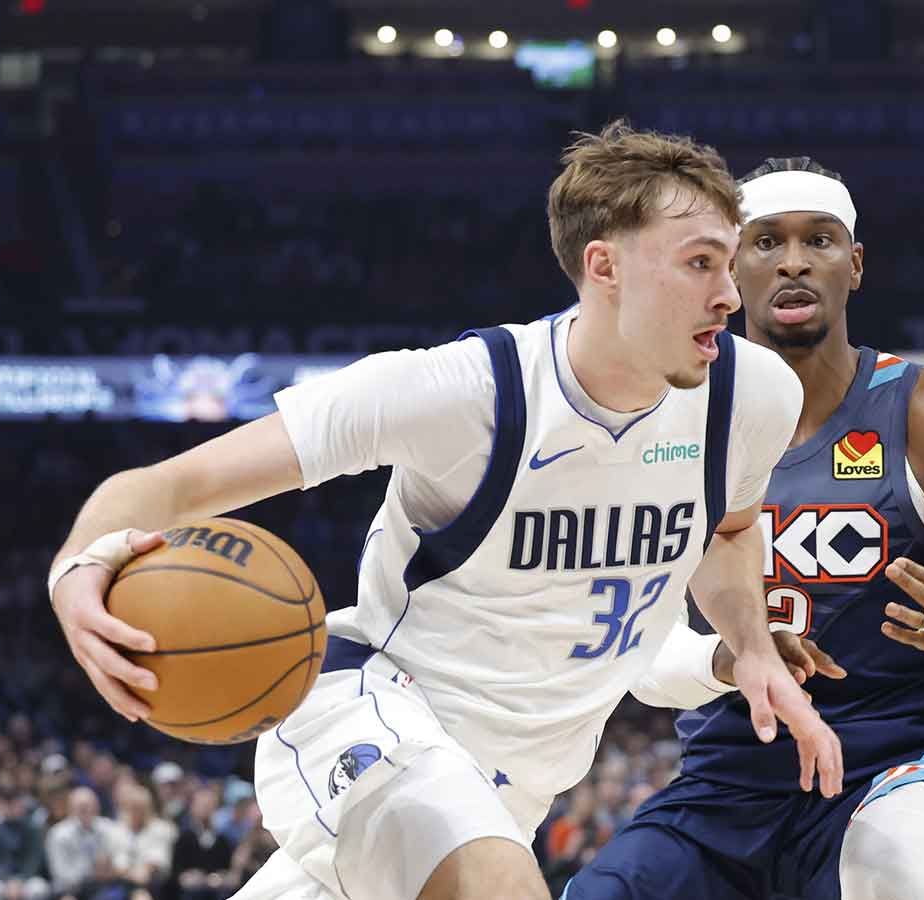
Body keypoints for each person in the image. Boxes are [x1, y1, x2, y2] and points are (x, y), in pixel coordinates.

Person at [45, 122, 842, 900]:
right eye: (701, 263)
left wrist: (749, 647)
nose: (732, 295)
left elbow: (730, 533)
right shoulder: (466, 393)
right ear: (605, 266)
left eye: (731, 264)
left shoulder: (752, 395)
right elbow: (172, 486)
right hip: (368, 710)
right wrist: (76, 570)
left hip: (517, 787)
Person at [567, 157, 924, 900]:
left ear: (853, 265)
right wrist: (734, 659)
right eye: (766, 243)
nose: (794, 261)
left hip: (895, 767)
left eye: (819, 240)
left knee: (892, 880)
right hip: (730, 778)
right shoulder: (669, 421)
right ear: (730, 269)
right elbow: (641, 656)